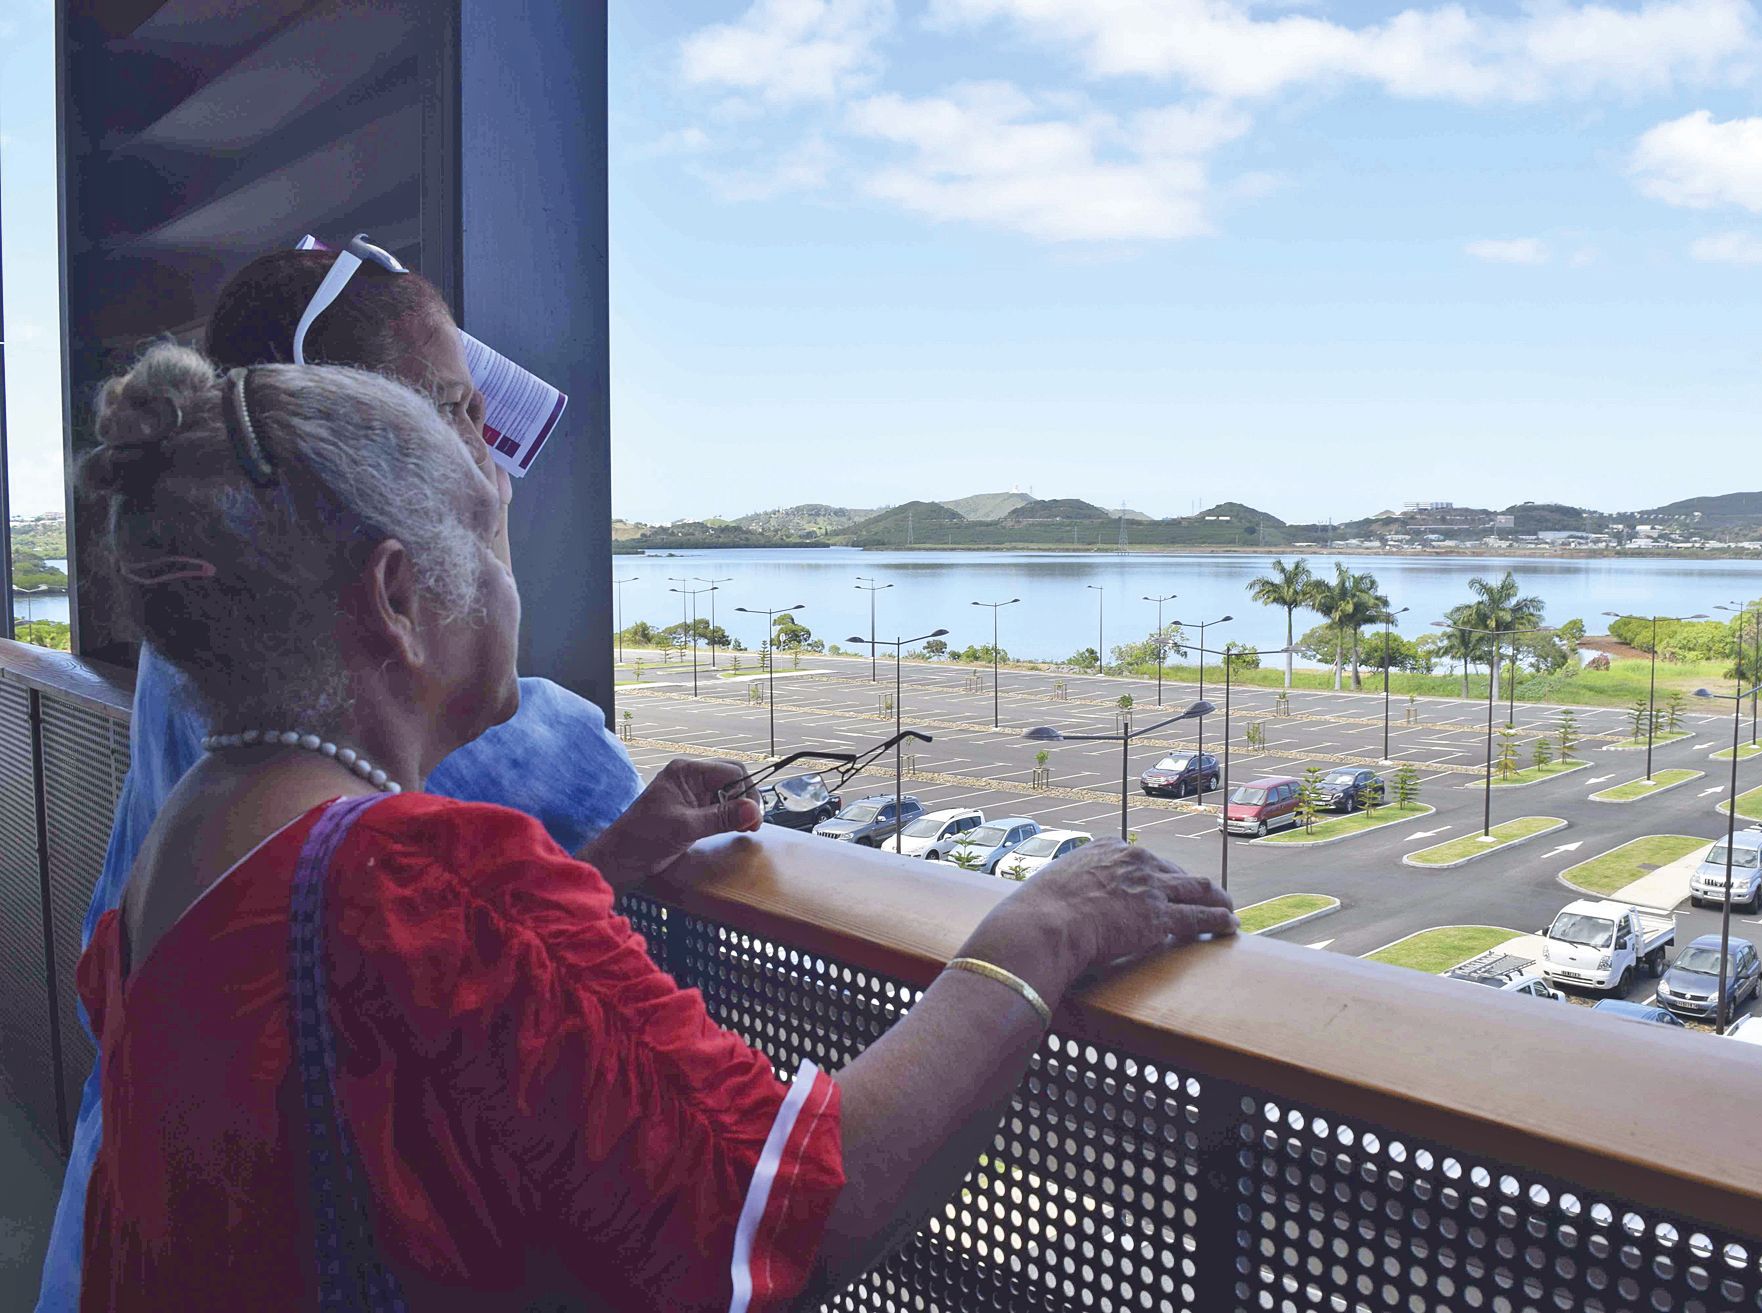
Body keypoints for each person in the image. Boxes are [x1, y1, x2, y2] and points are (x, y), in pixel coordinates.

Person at [70, 342, 1238, 1309]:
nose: (510, 579)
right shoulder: (423, 877)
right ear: (395, 598)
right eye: (488, 534)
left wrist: (599, 871)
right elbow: (776, 1216)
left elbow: (383, 1064)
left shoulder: (193, 839)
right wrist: (1031, 938)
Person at [33, 246, 726, 1311]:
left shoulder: (204, 666)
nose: (486, 443)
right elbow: (558, 785)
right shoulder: (408, 736)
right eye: (455, 406)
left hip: (129, 1226)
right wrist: (477, 551)